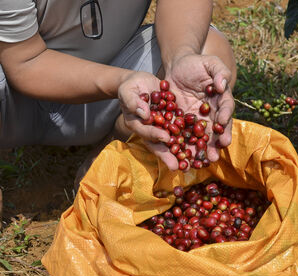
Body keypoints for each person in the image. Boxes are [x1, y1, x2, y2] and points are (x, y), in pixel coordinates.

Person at [0, 0, 237, 225]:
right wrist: (121, 81)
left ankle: (110, 157)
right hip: (11, 98)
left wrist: (180, 57)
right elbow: (25, 61)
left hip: (99, 91)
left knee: (206, 57)